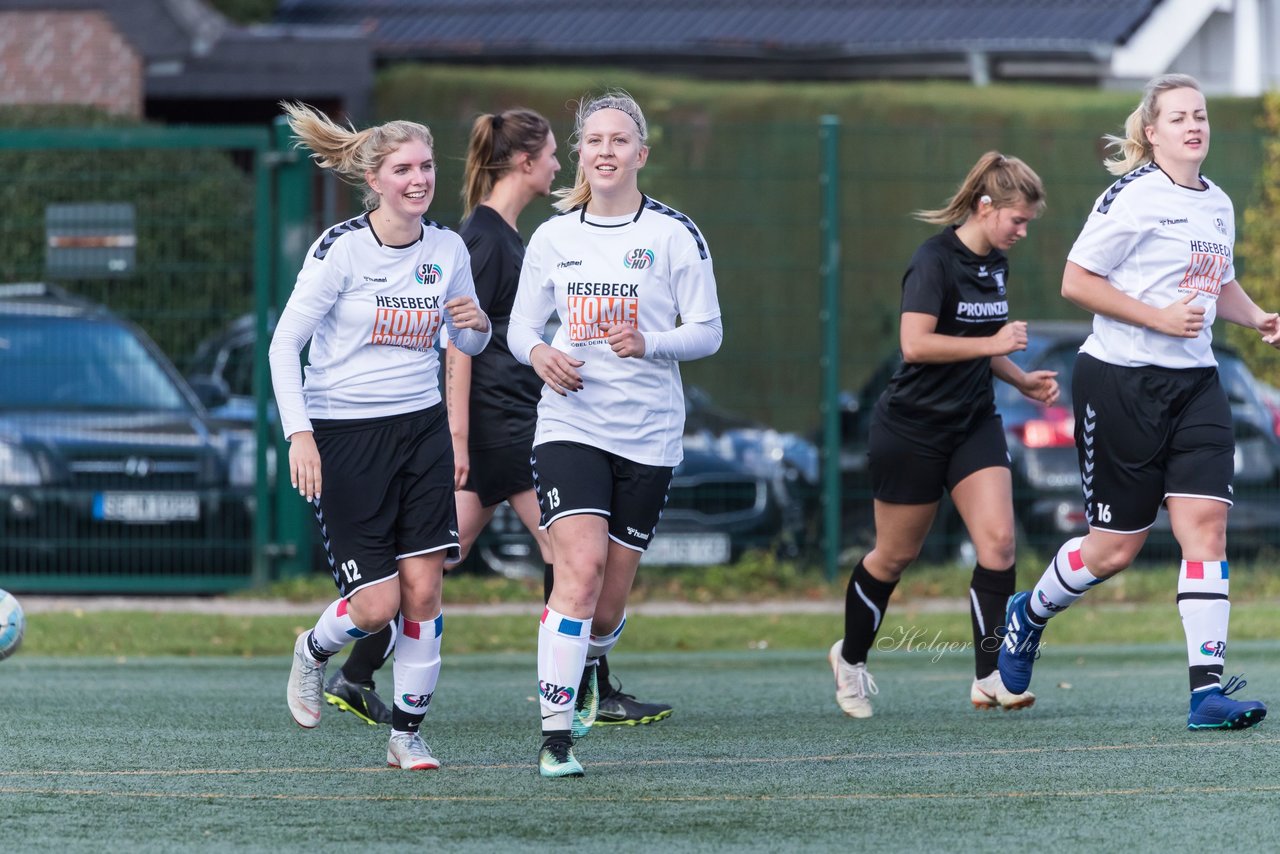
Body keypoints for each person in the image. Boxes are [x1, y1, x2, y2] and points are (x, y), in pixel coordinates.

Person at [322, 108, 675, 730]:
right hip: (496, 427)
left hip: (509, 420)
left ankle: (355, 673)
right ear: (523, 161)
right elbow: (458, 339)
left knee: (442, 561)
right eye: (551, 154)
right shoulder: (482, 237)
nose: (560, 164)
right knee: (567, 558)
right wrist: (456, 436)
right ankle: (588, 687)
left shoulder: (507, 232)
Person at [998, 73, 1275, 730]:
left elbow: (1217, 285)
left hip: (1196, 385)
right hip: (1120, 381)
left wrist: (1259, 317)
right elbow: (1075, 281)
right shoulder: (1131, 197)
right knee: (1114, 550)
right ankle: (1028, 613)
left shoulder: (1218, 204)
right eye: (1178, 117)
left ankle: (1206, 693)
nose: (1194, 125)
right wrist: (1155, 317)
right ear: (1151, 132)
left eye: (1201, 115)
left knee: (1205, 527)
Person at [507, 91, 723, 777]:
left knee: (605, 607)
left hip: (648, 436)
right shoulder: (553, 237)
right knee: (578, 570)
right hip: (569, 424)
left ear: (641, 154)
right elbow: (519, 329)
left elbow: (708, 332)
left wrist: (650, 342)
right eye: (593, 140)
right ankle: (554, 738)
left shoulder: (673, 235)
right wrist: (540, 355)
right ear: (579, 153)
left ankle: (591, 664)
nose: (605, 151)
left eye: (619, 140)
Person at [271, 101, 491, 769]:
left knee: (425, 590)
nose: (419, 179)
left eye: (426, 166)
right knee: (376, 607)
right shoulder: (341, 249)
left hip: (420, 430)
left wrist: (475, 322)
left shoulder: (448, 248)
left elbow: (468, 341)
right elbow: (284, 346)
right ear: (376, 179)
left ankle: (407, 735)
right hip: (345, 435)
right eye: (404, 169)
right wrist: (299, 434)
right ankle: (312, 649)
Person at [828, 151, 1057, 719]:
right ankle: (850, 659)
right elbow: (917, 344)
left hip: (974, 423)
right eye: (1017, 220)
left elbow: (981, 340)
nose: (1023, 232)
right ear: (985, 207)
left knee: (1000, 544)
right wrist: (996, 346)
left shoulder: (996, 263)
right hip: (912, 428)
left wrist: (1022, 380)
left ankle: (989, 677)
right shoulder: (932, 261)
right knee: (894, 556)